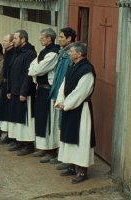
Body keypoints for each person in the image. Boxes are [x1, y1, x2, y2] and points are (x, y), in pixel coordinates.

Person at [55, 42, 96, 184]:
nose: (69, 53)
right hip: (69, 107)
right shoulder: (72, 66)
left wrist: (66, 104)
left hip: (81, 109)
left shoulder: (87, 70)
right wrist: (60, 100)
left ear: (79, 54)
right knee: (69, 137)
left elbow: (81, 91)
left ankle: (82, 170)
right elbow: (63, 85)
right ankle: (72, 166)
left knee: (81, 139)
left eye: (71, 51)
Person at [28, 28, 61, 163]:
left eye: (42, 37)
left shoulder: (53, 53)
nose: (40, 39)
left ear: (49, 38)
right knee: (41, 118)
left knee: (49, 120)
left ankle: (51, 150)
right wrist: (35, 70)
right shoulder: (43, 52)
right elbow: (32, 67)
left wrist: (35, 70)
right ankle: (42, 147)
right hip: (40, 89)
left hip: (48, 90)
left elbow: (39, 69)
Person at [4, 30, 37, 156]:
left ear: (23, 39)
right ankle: (19, 141)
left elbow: (28, 75)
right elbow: (11, 72)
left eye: (16, 38)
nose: (14, 40)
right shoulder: (17, 53)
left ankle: (28, 144)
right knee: (17, 119)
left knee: (25, 120)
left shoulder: (30, 53)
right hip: (14, 90)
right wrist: (9, 89)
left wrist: (24, 91)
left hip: (24, 93)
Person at [49, 27, 77, 168]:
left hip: (67, 97)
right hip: (60, 95)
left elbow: (65, 79)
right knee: (60, 126)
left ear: (69, 39)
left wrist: (62, 96)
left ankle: (67, 160)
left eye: (61, 37)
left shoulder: (70, 56)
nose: (59, 39)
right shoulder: (63, 53)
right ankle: (62, 156)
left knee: (65, 127)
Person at [0, 34, 17, 144]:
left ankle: (10, 135)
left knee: (9, 111)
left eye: (5, 41)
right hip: (5, 84)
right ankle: (5, 134)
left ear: (11, 43)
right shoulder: (7, 53)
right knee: (4, 110)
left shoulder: (14, 53)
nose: (3, 42)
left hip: (10, 85)